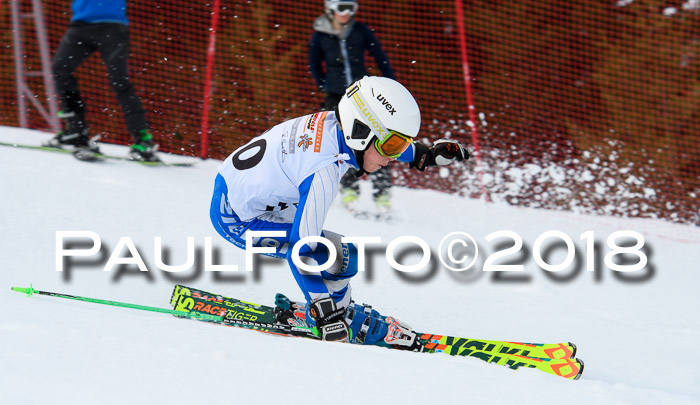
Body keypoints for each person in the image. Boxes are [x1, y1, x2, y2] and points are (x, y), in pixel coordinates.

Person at [210, 76, 470, 347]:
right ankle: (338, 316)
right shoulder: (323, 170)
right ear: (360, 132)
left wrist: (421, 154)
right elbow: (302, 248)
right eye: (393, 146)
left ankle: (338, 310)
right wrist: (324, 313)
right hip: (239, 220)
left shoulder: (336, 127)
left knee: (343, 255)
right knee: (337, 256)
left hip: (241, 197)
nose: (393, 157)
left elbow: (370, 140)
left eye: (400, 145)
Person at [309, 0, 395, 214]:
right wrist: (324, 84)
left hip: (362, 94)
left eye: (351, 8)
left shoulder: (360, 31)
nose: (346, 14)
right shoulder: (320, 34)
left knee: (379, 136)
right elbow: (314, 62)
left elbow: (379, 56)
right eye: (341, 8)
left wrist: (390, 82)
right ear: (330, 10)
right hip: (337, 96)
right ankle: (349, 190)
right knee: (343, 140)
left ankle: (382, 194)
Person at [45, 0, 158, 162]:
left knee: (119, 80)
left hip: (112, 27)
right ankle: (76, 131)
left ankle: (143, 140)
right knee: (60, 69)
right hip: (80, 26)